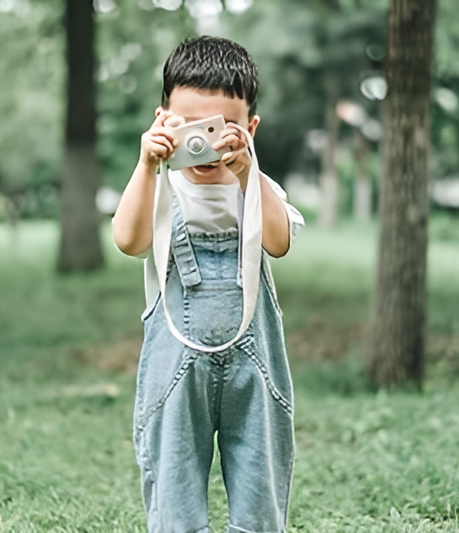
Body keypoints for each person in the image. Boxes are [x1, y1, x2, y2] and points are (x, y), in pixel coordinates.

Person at [113, 35, 304, 533]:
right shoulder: (157, 188)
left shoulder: (256, 186)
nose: (204, 141)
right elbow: (128, 241)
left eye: (220, 127)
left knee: (259, 488)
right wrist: (146, 164)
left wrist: (248, 172)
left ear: (249, 128)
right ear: (162, 122)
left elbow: (280, 242)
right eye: (189, 125)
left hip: (253, 367)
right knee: (174, 493)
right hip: (174, 367)